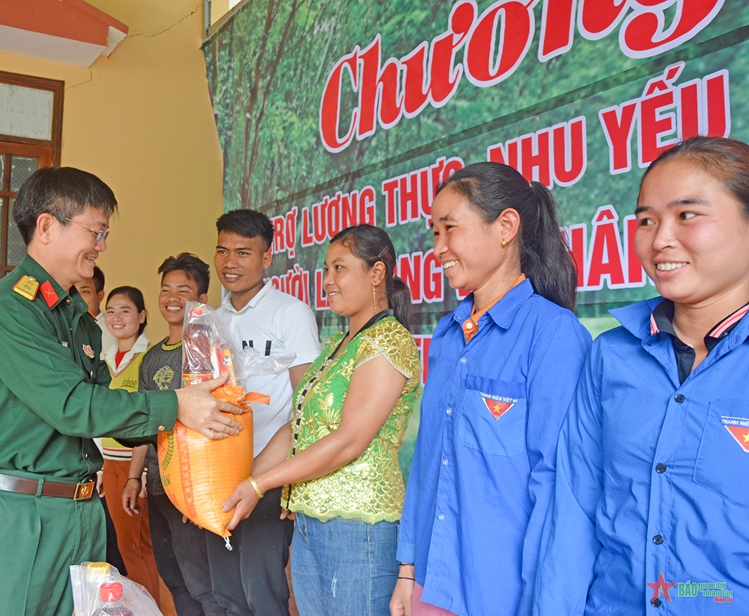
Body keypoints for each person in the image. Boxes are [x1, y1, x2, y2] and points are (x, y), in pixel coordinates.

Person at [0, 166, 243, 616]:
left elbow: (109, 416)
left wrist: (200, 419)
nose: (102, 245)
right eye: (96, 231)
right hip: (22, 516)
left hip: (80, 512)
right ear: (48, 226)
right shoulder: (10, 309)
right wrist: (176, 406)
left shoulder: (73, 314)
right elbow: (75, 407)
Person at [534, 136, 749, 615]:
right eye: (647, 220)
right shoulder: (611, 356)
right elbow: (574, 509)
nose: (660, 239)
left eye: (687, 215)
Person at [391, 162, 592, 616]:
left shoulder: (554, 336)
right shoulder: (447, 334)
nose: (438, 248)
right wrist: (407, 571)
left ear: (505, 227)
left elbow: (558, 487)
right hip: (430, 580)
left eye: (450, 230)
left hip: (504, 593)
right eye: (434, 233)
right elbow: (427, 462)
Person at [223, 224, 422, 616]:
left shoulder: (389, 340)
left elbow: (349, 440)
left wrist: (259, 483)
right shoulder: (335, 345)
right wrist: (240, 483)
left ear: (376, 274)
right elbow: (293, 429)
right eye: (325, 269)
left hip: (360, 526)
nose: (327, 281)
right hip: (310, 521)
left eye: (339, 268)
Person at [207, 209, 322, 616]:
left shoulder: (290, 313)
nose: (229, 263)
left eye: (243, 252)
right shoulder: (212, 321)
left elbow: (308, 404)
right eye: (222, 251)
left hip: (266, 479)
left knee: (263, 594)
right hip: (218, 478)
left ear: (267, 257)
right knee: (225, 594)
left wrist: (276, 479)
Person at [126, 253, 226, 616]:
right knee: (175, 579)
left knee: (204, 585)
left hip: (189, 488)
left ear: (201, 299)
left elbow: (214, 424)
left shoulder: (206, 354)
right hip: (157, 485)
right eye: (166, 289)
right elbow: (142, 425)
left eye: (183, 290)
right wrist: (134, 477)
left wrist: (194, 493)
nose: (172, 297)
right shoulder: (152, 358)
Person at [100, 286, 161, 606]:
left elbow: (146, 419)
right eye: (110, 310)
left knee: (140, 547)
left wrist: (138, 475)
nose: (116, 317)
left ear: (142, 316)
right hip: (109, 464)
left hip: (137, 465)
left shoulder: (150, 358)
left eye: (125, 310)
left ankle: (153, 609)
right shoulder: (105, 357)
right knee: (126, 546)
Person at [75, 267, 126, 577]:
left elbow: (103, 404)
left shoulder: (107, 334)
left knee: (118, 546)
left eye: (84, 291)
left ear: (98, 294)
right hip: (91, 456)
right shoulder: (73, 330)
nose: (116, 318)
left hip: (111, 456)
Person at [76, 265, 114, 357]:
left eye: (85, 291)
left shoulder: (112, 331)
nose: (77, 298)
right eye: (73, 292)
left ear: (100, 296)